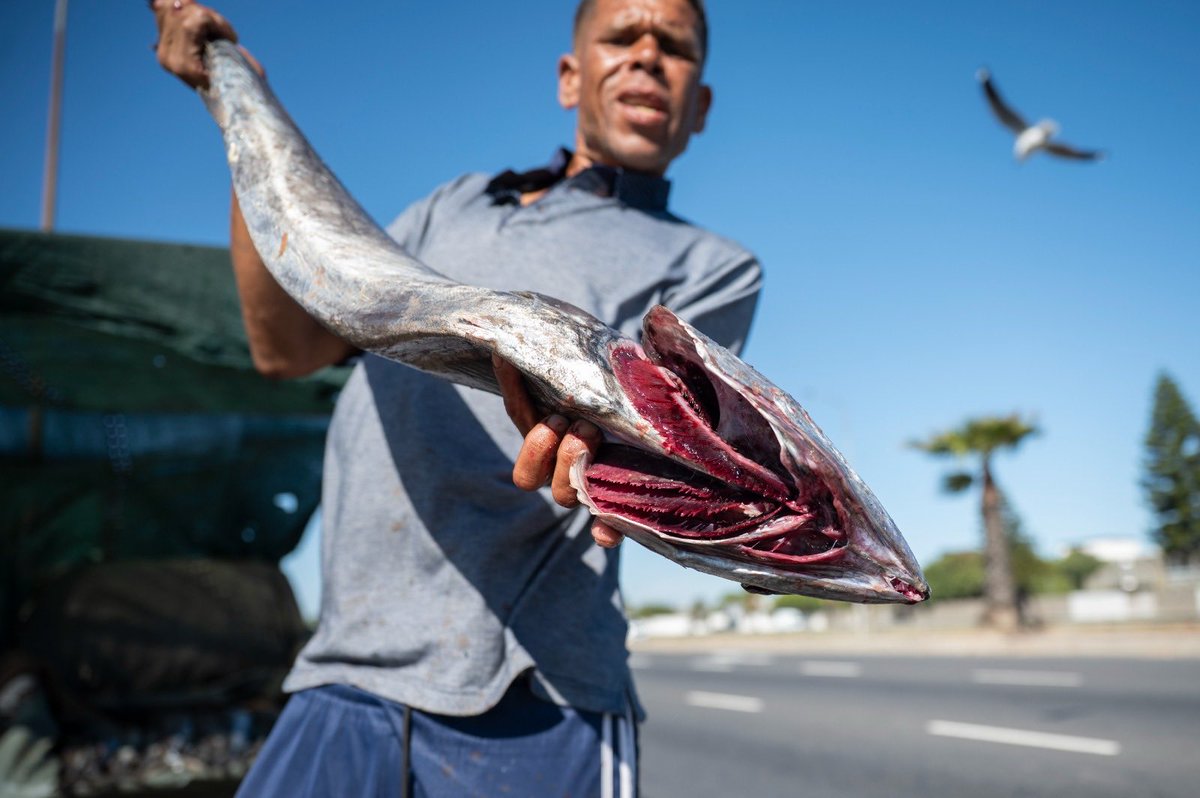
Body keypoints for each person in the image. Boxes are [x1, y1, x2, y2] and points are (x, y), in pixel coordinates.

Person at [151, 0, 762, 795]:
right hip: (347, 666)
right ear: (570, 77)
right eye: (622, 37)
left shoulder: (711, 266)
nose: (647, 56)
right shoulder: (454, 203)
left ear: (700, 104)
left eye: (674, 47)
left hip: (536, 696)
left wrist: (602, 441)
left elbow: (656, 435)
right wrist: (240, 106)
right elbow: (289, 346)